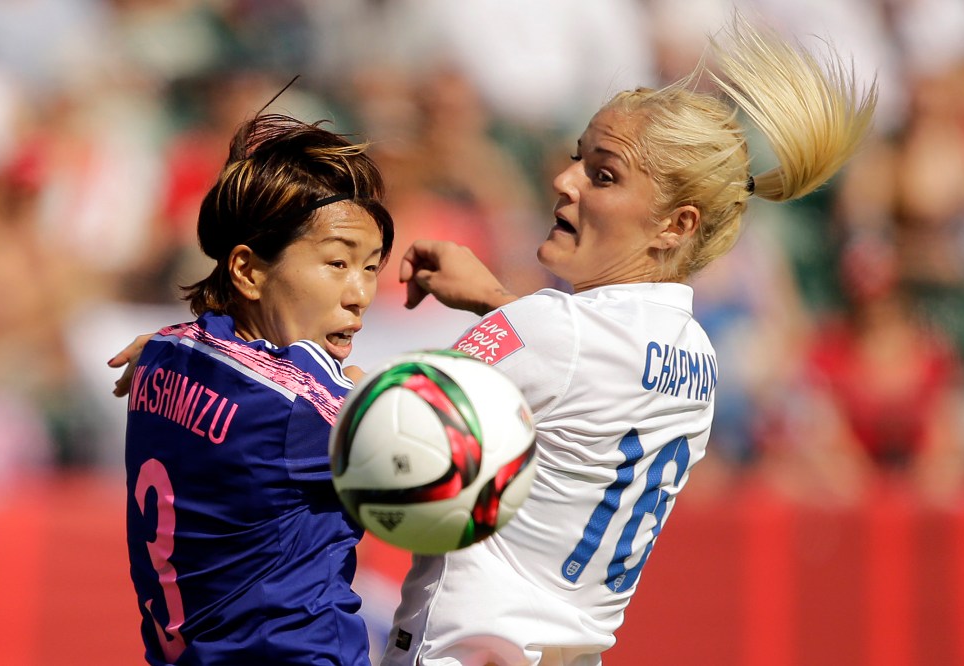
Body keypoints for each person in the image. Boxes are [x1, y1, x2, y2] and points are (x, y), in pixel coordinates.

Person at [380, 15, 877, 666]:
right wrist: (498, 301)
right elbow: (579, 366)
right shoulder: (697, 352)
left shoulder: (552, 331)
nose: (566, 181)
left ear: (676, 225)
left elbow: (385, 425)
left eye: (604, 174)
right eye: (577, 158)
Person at [115, 112, 393, 665]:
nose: (360, 292)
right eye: (337, 262)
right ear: (247, 270)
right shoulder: (302, 406)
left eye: (371, 266)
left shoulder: (163, 352)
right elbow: (460, 433)